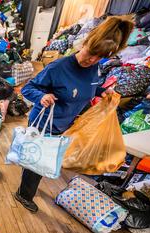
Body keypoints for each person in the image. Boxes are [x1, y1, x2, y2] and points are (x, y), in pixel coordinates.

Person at [15, 16, 134, 213]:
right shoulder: (58, 67)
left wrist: (101, 92)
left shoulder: (94, 68)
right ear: (85, 43)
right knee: (37, 163)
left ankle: (28, 172)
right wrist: (42, 96)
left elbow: (86, 87)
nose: (92, 60)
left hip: (65, 124)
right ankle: (23, 194)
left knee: (43, 160)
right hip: (44, 122)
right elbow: (28, 89)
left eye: (99, 57)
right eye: (91, 53)